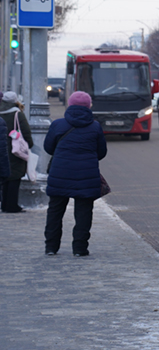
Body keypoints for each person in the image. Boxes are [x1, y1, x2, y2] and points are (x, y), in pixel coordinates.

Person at [43, 90, 107, 257]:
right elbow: (101, 152)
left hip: (59, 175)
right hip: (86, 177)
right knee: (84, 213)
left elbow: (48, 148)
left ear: (70, 105)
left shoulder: (58, 125)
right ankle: (79, 248)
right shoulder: (95, 126)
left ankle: (51, 247)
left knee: (55, 211)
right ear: (89, 106)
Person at [0, 92, 33, 213]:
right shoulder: (17, 114)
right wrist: (29, 144)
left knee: (4, 177)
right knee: (15, 178)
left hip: (2, 148)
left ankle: (4, 204)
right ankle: (12, 205)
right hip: (15, 150)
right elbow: (25, 131)